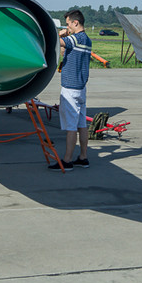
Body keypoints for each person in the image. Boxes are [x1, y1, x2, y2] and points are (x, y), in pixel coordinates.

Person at [48, 10, 92, 171]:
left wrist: (59, 33)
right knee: (82, 124)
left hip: (70, 89)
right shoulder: (87, 39)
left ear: (75, 22)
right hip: (81, 88)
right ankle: (83, 157)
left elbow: (57, 42)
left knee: (71, 127)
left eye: (68, 24)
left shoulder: (76, 38)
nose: (67, 27)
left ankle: (67, 160)